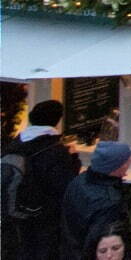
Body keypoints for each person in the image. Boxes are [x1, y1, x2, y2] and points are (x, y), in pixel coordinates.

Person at [2, 99, 79, 260]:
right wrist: (73, 160)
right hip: (45, 220)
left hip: (15, 216)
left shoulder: (15, 144)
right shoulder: (56, 150)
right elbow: (65, 187)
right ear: (57, 120)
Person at [61, 141, 131, 260]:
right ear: (115, 167)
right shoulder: (108, 202)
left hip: (70, 248)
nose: (130, 163)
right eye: (126, 161)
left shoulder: (79, 181)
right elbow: (101, 240)